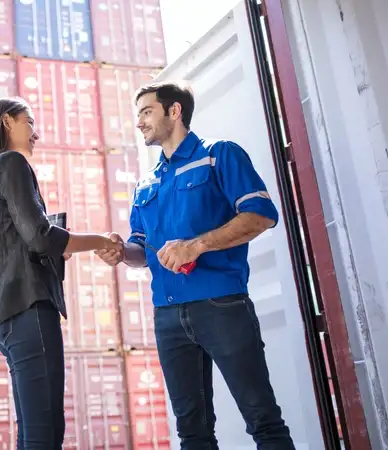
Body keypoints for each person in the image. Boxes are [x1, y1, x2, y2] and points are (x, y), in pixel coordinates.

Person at [95, 81, 295, 450]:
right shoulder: (146, 183)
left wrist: (197, 245)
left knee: (263, 420)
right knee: (192, 434)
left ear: (174, 111)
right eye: (137, 114)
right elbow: (142, 248)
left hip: (221, 306)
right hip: (167, 316)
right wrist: (122, 252)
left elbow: (261, 215)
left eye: (146, 111)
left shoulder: (219, 155)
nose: (139, 122)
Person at [0, 97, 121, 449]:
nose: (35, 133)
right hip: (29, 311)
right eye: (30, 122)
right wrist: (100, 239)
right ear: (7, 122)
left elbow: (21, 245)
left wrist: (60, 249)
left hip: (6, 317)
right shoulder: (10, 163)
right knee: (46, 434)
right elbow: (40, 237)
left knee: (33, 433)